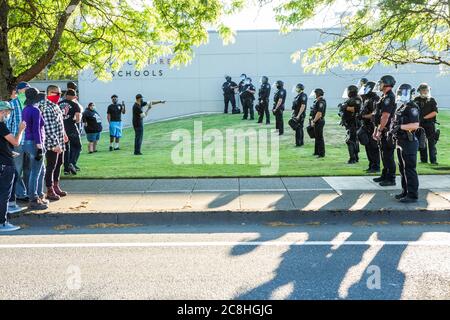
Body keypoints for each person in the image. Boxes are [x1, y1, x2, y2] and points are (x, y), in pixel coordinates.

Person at [389, 84, 420, 203]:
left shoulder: (412, 107)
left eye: (404, 93)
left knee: (409, 169)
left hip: (409, 141)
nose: (401, 95)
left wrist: (400, 127)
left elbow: (415, 125)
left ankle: (412, 195)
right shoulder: (403, 106)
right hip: (401, 141)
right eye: (400, 92)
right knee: (402, 168)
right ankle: (405, 192)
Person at [38, 85, 68, 201]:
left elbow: (59, 123)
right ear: (49, 93)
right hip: (51, 142)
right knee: (51, 165)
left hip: (60, 140)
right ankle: (50, 189)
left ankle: (56, 186)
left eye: (60, 93)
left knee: (59, 163)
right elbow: (48, 127)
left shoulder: (55, 106)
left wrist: (64, 134)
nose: (59, 96)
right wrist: (55, 144)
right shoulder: (45, 107)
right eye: (56, 93)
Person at [0, 101, 26, 232]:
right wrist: (21, 130)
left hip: (4, 159)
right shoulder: (1, 126)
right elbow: (16, 142)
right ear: (2, 112)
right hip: (5, 164)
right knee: (4, 194)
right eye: (7, 112)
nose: (8, 114)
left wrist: (9, 152)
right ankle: (2, 223)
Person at [21, 88, 48, 210]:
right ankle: (34, 198)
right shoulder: (35, 110)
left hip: (27, 142)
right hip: (34, 142)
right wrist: (39, 145)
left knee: (40, 170)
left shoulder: (25, 109)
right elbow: (37, 129)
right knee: (36, 171)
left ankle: (38, 195)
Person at [6, 82, 30, 203]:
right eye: (25, 89)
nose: (27, 92)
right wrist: (9, 143)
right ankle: (20, 193)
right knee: (17, 169)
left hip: (30, 141)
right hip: (17, 142)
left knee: (28, 169)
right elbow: (7, 125)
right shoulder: (12, 105)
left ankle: (27, 192)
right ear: (19, 91)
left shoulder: (31, 104)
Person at [372, 75, 397, 186]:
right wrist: (376, 129)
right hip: (382, 128)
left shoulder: (389, 97)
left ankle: (391, 178)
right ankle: (385, 175)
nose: (380, 84)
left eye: (381, 82)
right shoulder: (384, 96)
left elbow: (385, 116)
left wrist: (380, 130)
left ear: (386, 83)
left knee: (388, 155)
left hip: (387, 130)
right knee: (384, 154)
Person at [358, 81, 381, 173]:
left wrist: (363, 116)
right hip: (366, 125)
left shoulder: (376, 99)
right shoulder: (367, 98)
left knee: (373, 147)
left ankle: (376, 166)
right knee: (368, 147)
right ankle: (371, 165)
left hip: (372, 126)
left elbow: (374, 114)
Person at [414, 83, 438, 165]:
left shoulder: (432, 100)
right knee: (422, 142)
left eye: (426, 90)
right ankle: (423, 160)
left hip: (429, 124)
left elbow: (434, 112)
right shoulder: (416, 99)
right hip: (420, 124)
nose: (424, 91)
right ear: (419, 91)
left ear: (428, 91)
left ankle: (433, 160)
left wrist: (423, 118)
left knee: (431, 143)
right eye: (422, 90)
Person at [59, 89, 82, 175]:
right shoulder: (75, 105)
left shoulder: (58, 104)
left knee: (65, 149)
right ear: (72, 96)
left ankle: (66, 169)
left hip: (61, 130)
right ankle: (72, 163)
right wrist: (74, 121)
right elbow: (78, 119)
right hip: (71, 128)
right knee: (77, 146)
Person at [339, 85, 362, 164]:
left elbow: (356, 109)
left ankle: (353, 159)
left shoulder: (357, 99)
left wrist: (345, 107)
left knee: (350, 141)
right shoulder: (350, 99)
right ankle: (355, 157)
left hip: (354, 123)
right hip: (349, 123)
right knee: (353, 140)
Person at [310, 88, 326, 158]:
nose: (314, 95)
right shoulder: (317, 101)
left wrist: (314, 121)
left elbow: (319, 113)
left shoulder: (321, 101)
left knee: (319, 138)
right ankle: (316, 152)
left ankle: (321, 154)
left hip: (319, 121)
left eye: (315, 93)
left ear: (317, 94)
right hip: (317, 121)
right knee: (317, 137)